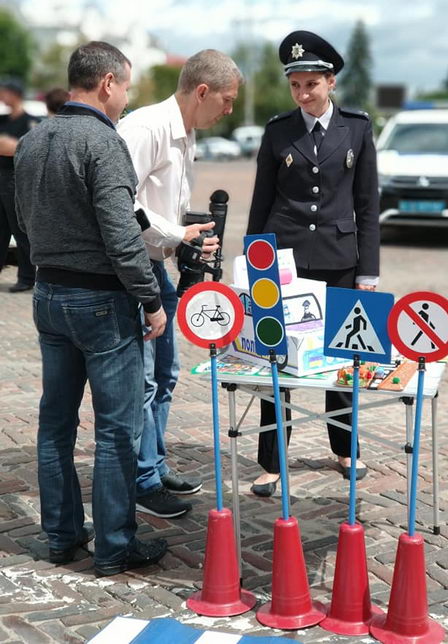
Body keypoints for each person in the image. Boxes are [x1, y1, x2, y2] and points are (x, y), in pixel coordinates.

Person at [14, 41, 169, 576]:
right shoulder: (103, 141)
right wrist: (151, 300)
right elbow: (122, 236)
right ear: (107, 83)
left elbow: (23, 220)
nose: (125, 97)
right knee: (116, 430)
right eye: (125, 86)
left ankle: (61, 535)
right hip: (101, 300)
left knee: (56, 423)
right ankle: (114, 545)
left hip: (49, 293)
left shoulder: (34, 140)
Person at [246, 30, 380, 497]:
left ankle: (345, 449)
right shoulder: (277, 130)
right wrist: (254, 266)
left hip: (341, 260)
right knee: (276, 360)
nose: (303, 94)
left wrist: (368, 272)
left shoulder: (357, 129)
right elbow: (261, 202)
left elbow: (367, 206)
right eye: (295, 85)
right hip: (284, 261)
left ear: (331, 82)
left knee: (343, 359)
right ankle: (272, 461)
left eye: (311, 85)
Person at [117, 50, 243, 518]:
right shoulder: (145, 128)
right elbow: (120, 203)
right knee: (146, 379)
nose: (230, 110)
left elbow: (160, 206)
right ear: (202, 91)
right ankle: (142, 481)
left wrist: (191, 236)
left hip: (157, 266)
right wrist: (178, 233)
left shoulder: (185, 133)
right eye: (227, 100)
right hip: (135, 269)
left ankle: (153, 463)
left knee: (166, 374)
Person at [0, 77, 38, 292]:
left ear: (15, 94)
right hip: (1, 176)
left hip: (17, 178)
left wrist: (12, 146)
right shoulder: (3, 120)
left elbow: (29, 149)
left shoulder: (30, 121)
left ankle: (26, 277)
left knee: (20, 230)